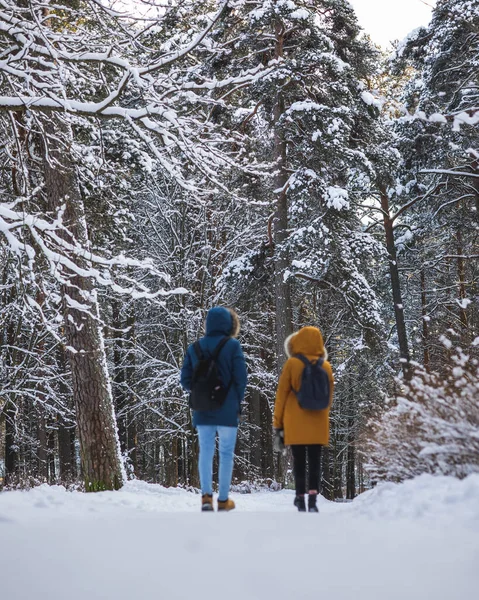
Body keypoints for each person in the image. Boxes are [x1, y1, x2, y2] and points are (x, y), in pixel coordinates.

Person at [180, 306, 247, 512]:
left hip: (202, 409)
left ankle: (206, 498)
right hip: (227, 409)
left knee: (206, 452)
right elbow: (241, 378)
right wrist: (236, 401)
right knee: (226, 453)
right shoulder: (232, 346)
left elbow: (185, 380)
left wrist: (202, 390)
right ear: (229, 324)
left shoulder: (194, 348)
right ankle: (224, 500)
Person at [273, 326, 334, 512]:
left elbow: (282, 395)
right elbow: (329, 397)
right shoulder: (326, 366)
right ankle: (313, 500)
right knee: (315, 461)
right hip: (318, 421)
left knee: (299, 461)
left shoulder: (292, 364)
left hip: (295, 421)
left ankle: (300, 498)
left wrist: (278, 424)